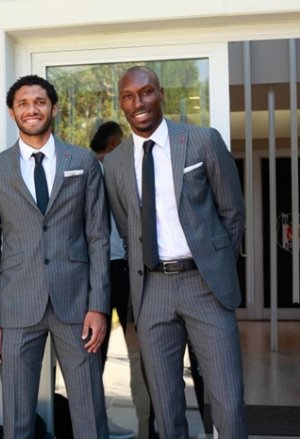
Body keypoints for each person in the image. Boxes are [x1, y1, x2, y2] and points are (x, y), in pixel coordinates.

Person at [103, 66, 247, 438]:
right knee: (165, 408)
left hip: (204, 285)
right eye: (129, 96)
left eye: (146, 92)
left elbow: (232, 211)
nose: (138, 103)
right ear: (121, 104)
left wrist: (216, 266)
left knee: (228, 401)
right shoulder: (115, 164)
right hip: (152, 292)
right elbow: (127, 227)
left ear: (161, 94)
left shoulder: (202, 141)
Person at [0, 74, 110, 438]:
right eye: (23, 103)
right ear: (12, 112)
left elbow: (98, 238)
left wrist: (98, 306)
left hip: (77, 305)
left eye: (39, 102)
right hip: (16, 307)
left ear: (54, 108)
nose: (31, 109)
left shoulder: (83, 161)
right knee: (17, 416)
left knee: (89, 410)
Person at [91, 121, 147, 439]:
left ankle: (97, 423)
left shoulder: (91, 172)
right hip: (117, 269)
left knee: (96, 351)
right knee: (129, 351)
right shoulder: (106, 172)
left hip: (103, 271)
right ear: (112, 146)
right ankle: (142, 425)